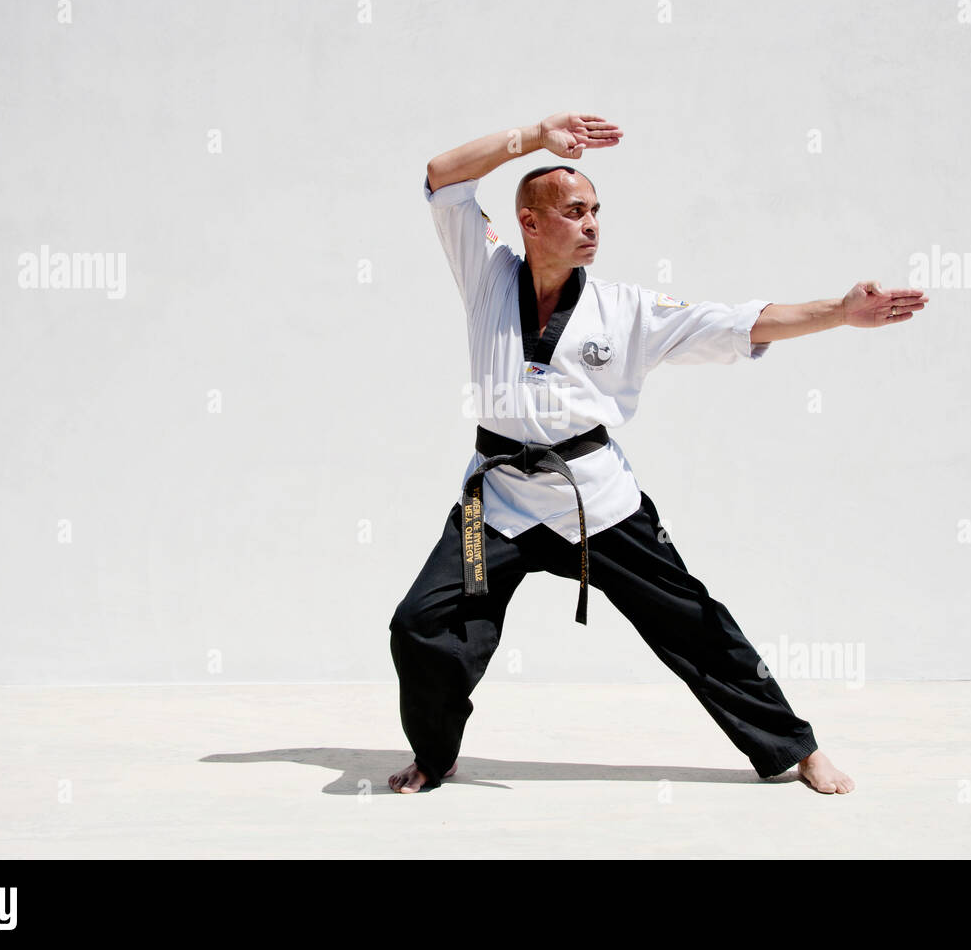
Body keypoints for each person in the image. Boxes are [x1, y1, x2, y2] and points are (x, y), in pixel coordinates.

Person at [387, 111, 929, 795]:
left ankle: (797, 746)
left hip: (597, 502)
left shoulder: (626, 311)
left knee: (694, 623)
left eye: (596, 211)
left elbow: (738, 321)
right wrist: (533, 137)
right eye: (574, 210)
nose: (592, 224)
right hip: (494, 501)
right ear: (529, 221)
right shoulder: (487, 271)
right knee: (421, 623)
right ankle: (435, 755)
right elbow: (443, 176)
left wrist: (838, 311)